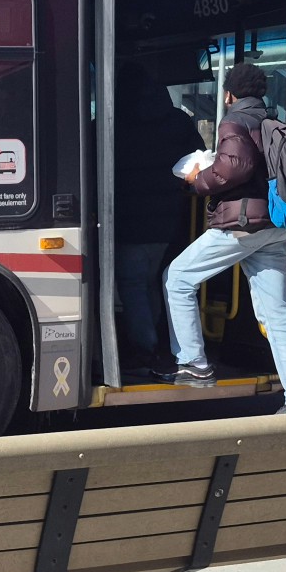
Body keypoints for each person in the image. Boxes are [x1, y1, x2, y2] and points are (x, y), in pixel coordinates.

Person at [162, 61, 286, 413]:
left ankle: (194, 363)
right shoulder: (273, 122)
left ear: (230, 93)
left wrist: (196, 181)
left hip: (243, 226)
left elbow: (234, 168)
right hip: (279, 227)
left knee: (177, 277)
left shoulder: (235, 121)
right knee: (278, 314)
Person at [110, 63, 200, 378]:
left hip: (128, 219)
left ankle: (145, 347)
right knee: (150, 282)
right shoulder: (177, 121)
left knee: (133, 284)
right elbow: (199, 157)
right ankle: (157, 340)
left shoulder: (114, 122)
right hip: (168, 217)